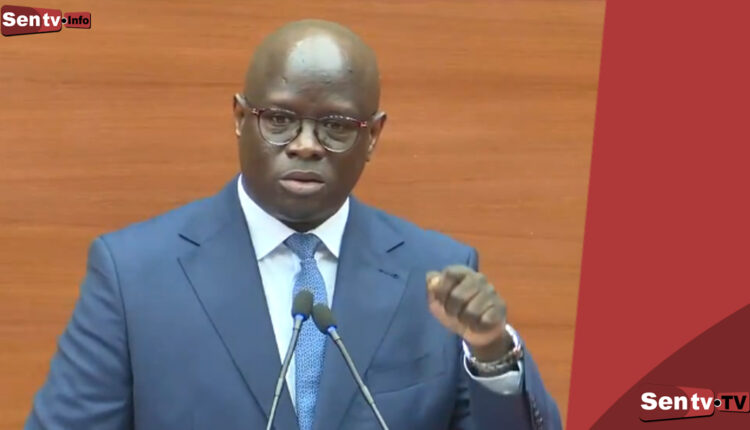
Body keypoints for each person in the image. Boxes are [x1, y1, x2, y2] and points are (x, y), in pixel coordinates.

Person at [25, 19, 560, 430]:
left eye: (335, 125)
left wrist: (491, 351)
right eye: (280, 120)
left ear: (372, 137)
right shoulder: (134, 275)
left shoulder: (436, 274)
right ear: (240, 119)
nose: (305, 145)